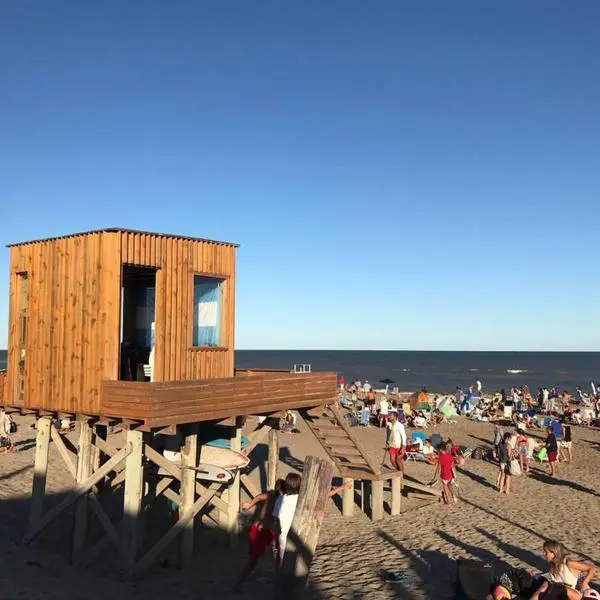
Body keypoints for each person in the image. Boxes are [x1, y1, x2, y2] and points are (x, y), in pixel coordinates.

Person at [234, 478, 285, 591]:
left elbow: (259, 497)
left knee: (278, 552)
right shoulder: (278, 499)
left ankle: (278, 576)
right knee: (254, 560)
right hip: (260, 530)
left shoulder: (271, 495)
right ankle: (238, 583)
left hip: (266, 530)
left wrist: (250, 504)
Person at [530, 540, 597, 600]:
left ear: (554, 553)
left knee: (554, 587)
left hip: (579, 596)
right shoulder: (552, 569)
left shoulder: (568, 563)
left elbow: (592, 568)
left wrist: (585, 582)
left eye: (546, 552)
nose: (543, 554)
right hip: (563, 594)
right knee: (545, 585)